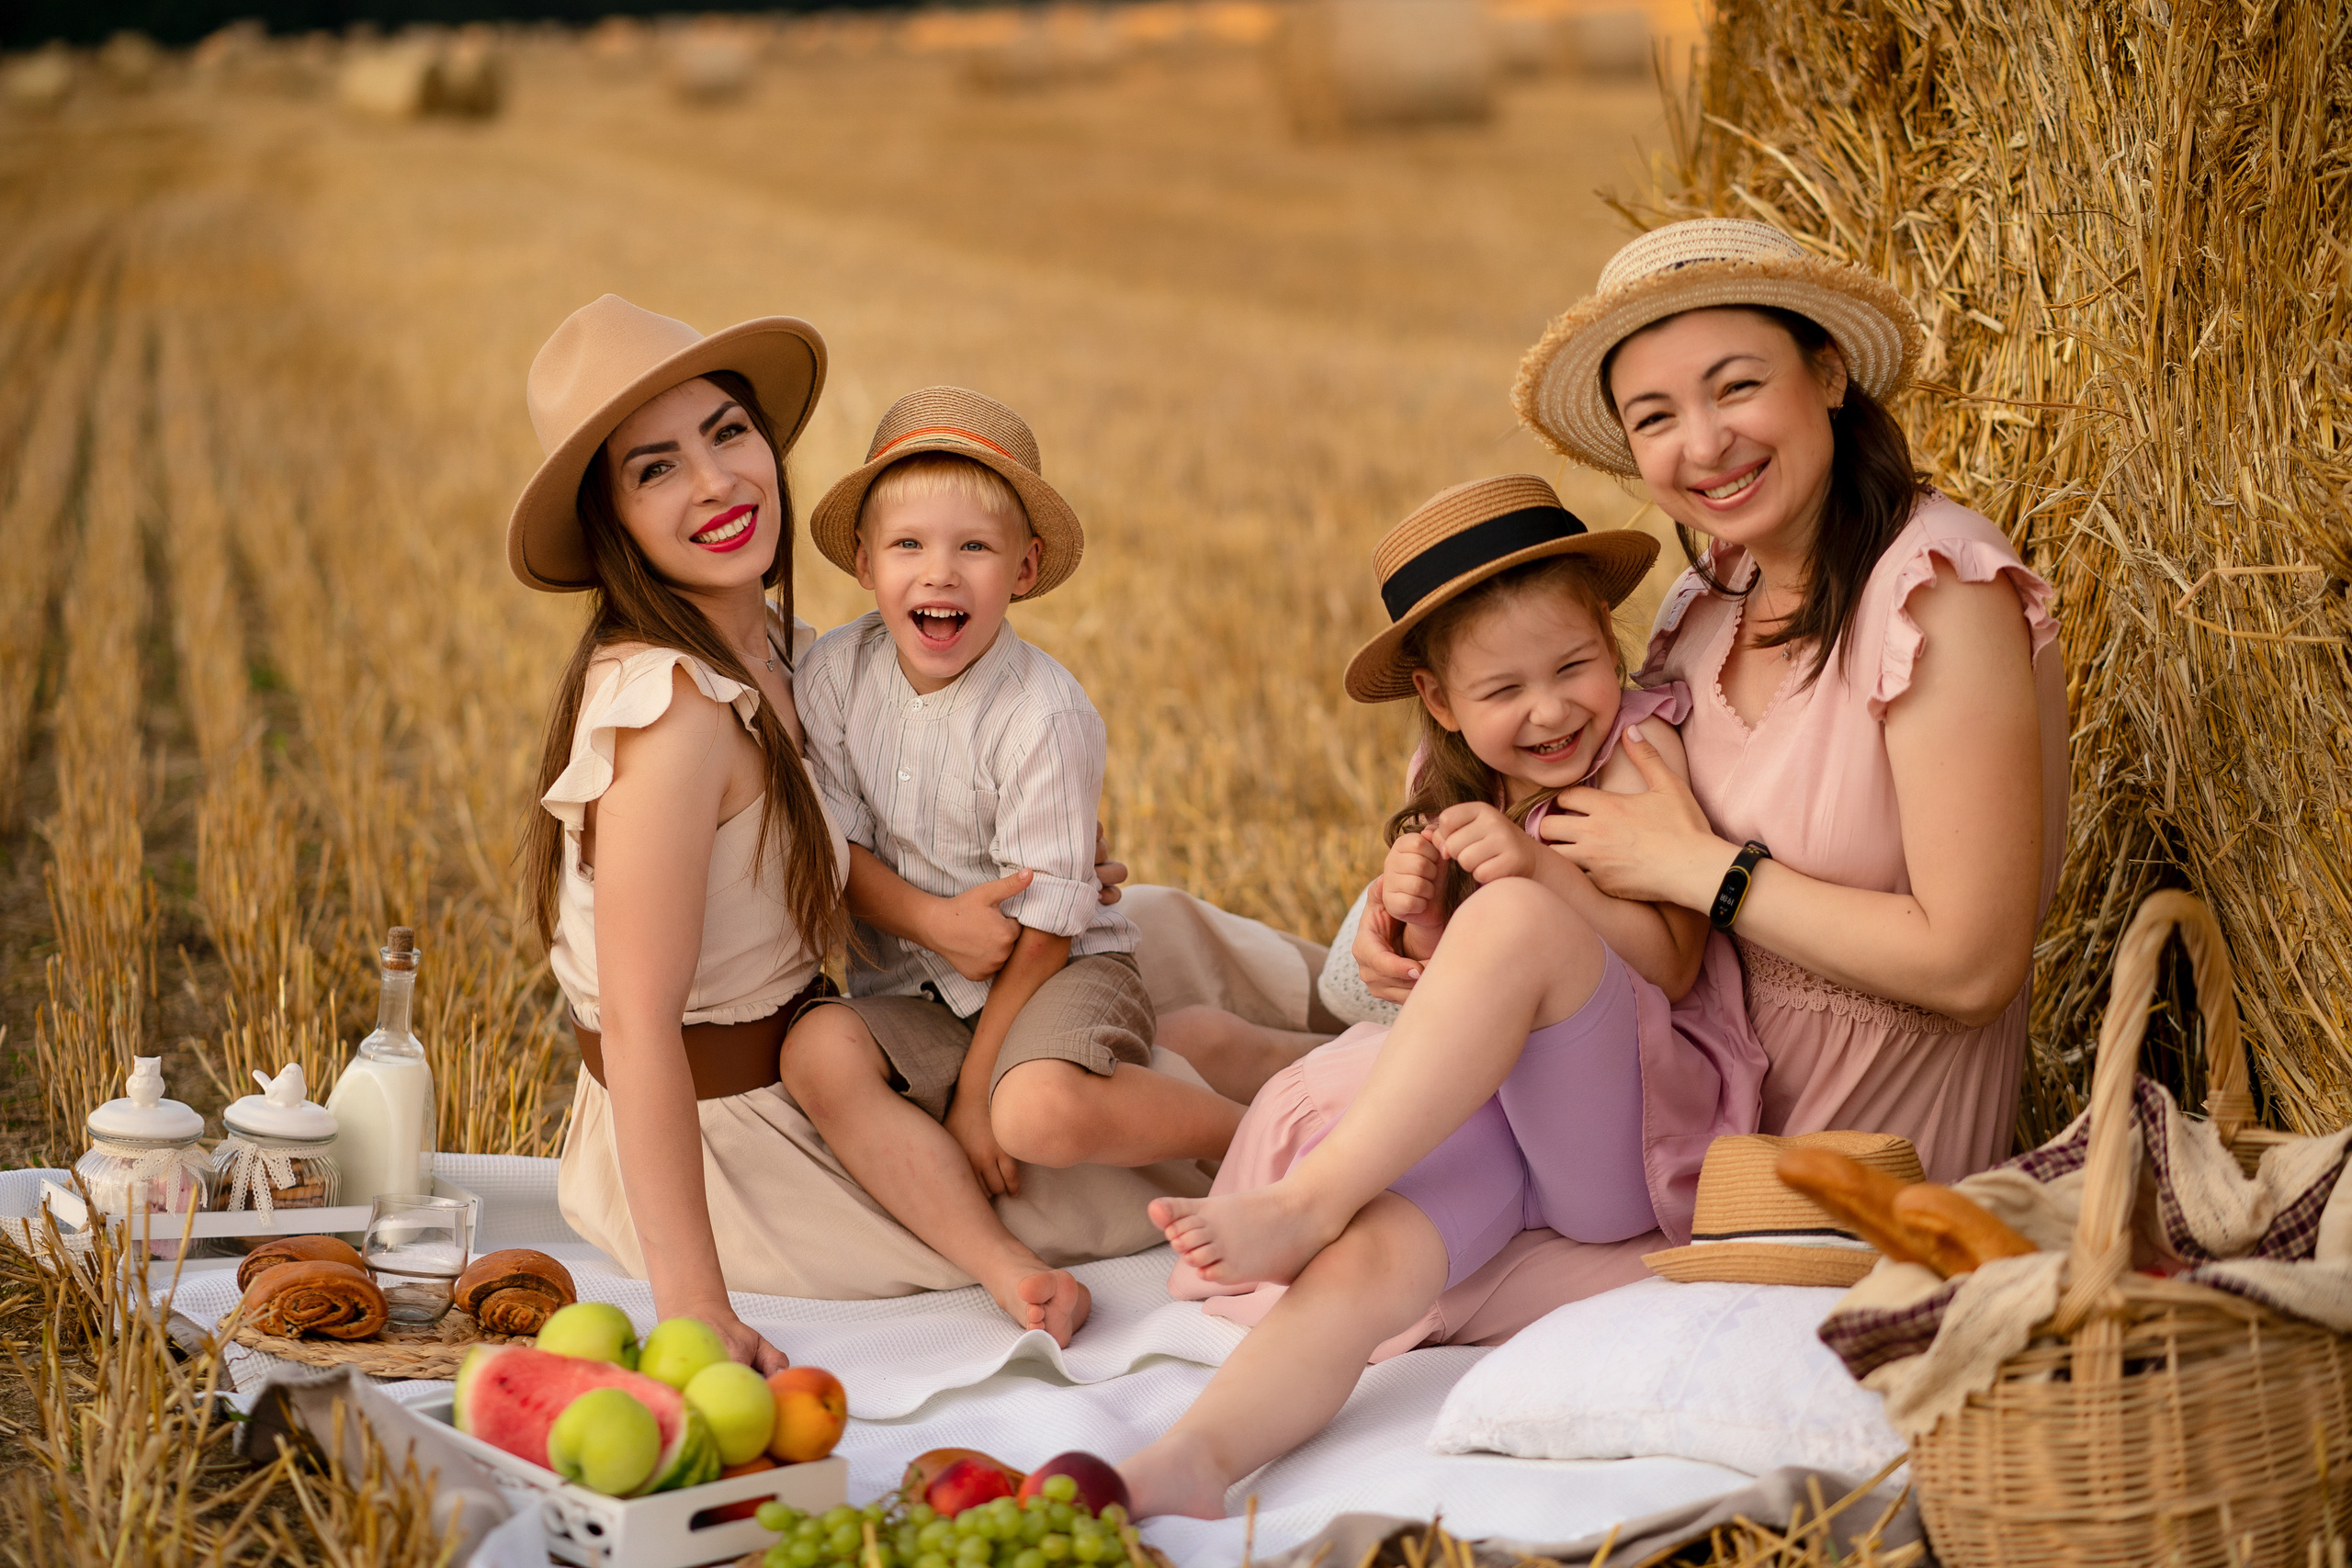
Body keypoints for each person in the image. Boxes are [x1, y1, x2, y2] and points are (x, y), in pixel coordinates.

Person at [514, 298, 1216, 1371]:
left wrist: (1047, 862)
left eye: (728, 434)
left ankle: (1370, 1021)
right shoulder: (670, 713)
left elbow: (881, 833)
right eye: (654, 469)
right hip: (754, 1147)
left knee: (1154, 930)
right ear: (611, 520)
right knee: (1097, 1144)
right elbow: (642, 1025)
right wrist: (692, 1304)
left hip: (871, 1030)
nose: (714, 483)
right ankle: (1327, 1109)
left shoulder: (795, 658)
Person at [1124, 475, 1767, 1518]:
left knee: (1513, 919)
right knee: (1377, 1248)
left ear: (1608, 643)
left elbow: (1676, 961)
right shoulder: (1453, 775)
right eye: (1504, 692)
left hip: (1632, 1138)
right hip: (1504, 1135)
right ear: (1439, 701)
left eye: (1572, 667)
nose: (1551, 709)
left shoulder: (1641, 753)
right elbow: (1458, 994)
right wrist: (1413, 921)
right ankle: (1199, 1455)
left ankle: (1303, 1202)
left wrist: (1536, 873)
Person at [783, 388, 1251, 1345]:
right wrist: (933, 923)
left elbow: (1047, 926)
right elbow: (827, 851)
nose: (938, 573)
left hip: (1059, 971)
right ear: (864, 562)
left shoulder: (1044, 713)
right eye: (908, 545)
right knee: (814, 1051)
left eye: (975, 548)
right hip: (913, 984)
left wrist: (975, 1101)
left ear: (1025, 569)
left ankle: (1261, 1134)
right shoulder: (834, 674)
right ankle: (1009, 1274)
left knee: (1031, 1113)